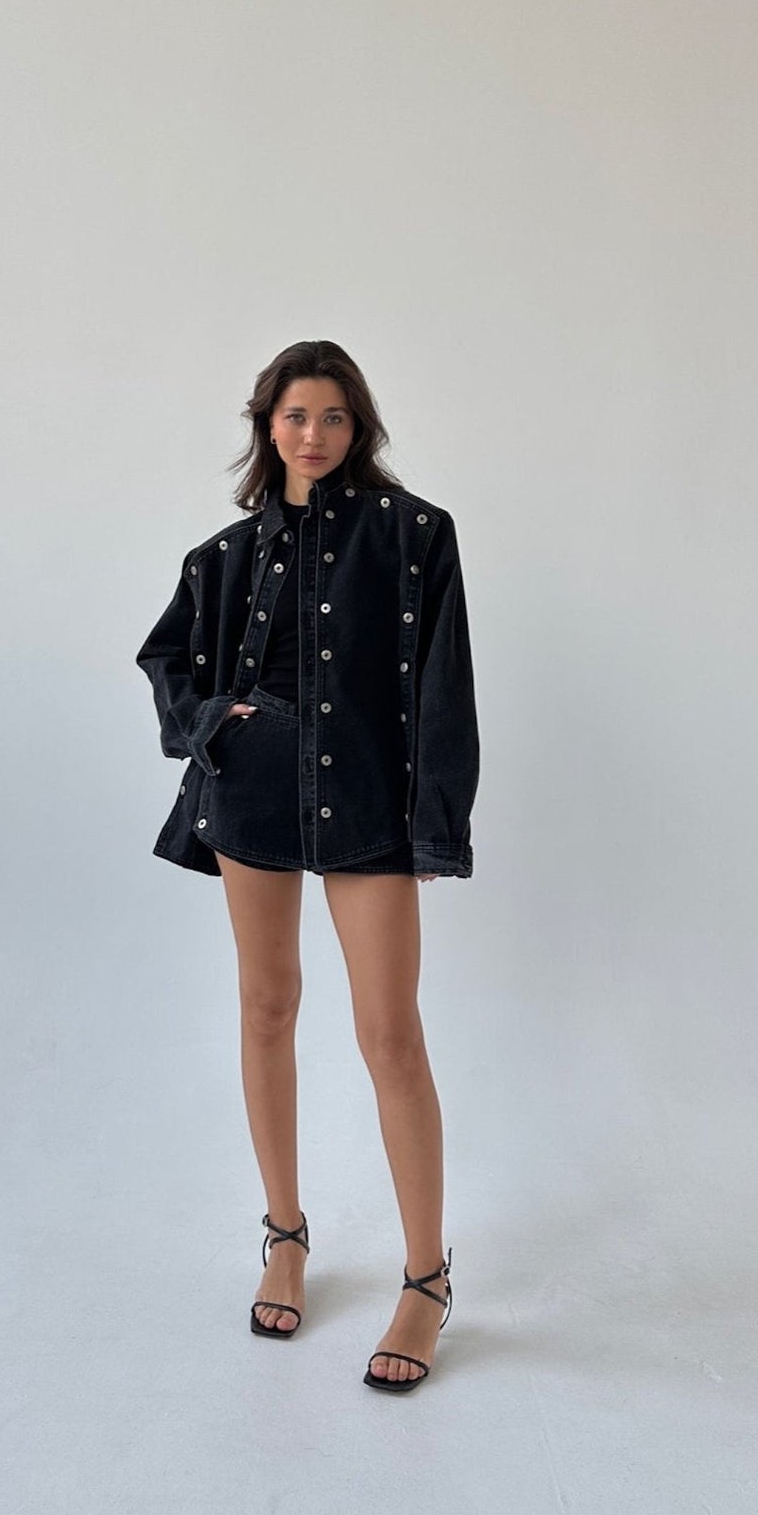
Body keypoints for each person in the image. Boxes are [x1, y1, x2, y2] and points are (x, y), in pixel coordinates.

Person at [135, 339, 479, 1393]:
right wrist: (214, 721)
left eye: (332, 416)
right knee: (267, 1008)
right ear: (265, 423)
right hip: (253, 793)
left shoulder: (416, 535)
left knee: (389, 1032)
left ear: (357, 424)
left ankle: (425, 1279)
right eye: (294, 415)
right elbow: (165, 658)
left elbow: (441, 684)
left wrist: (433, 825)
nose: (312, 434)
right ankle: (284, 1232)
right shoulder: (222, 555)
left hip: (369, 796)